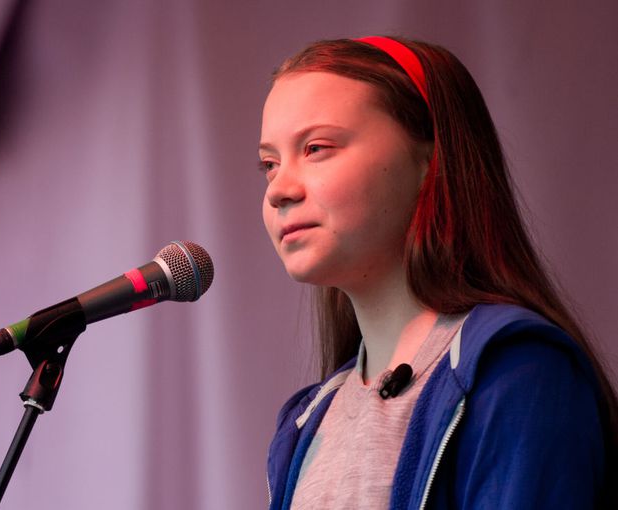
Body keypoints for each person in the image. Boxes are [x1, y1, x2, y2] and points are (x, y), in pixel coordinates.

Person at [258, 36, 617, 509]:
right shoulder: (308, 420)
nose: (279, 189)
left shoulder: (515, 371)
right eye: (269, 164)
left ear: (429, 160)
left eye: (317, 148)